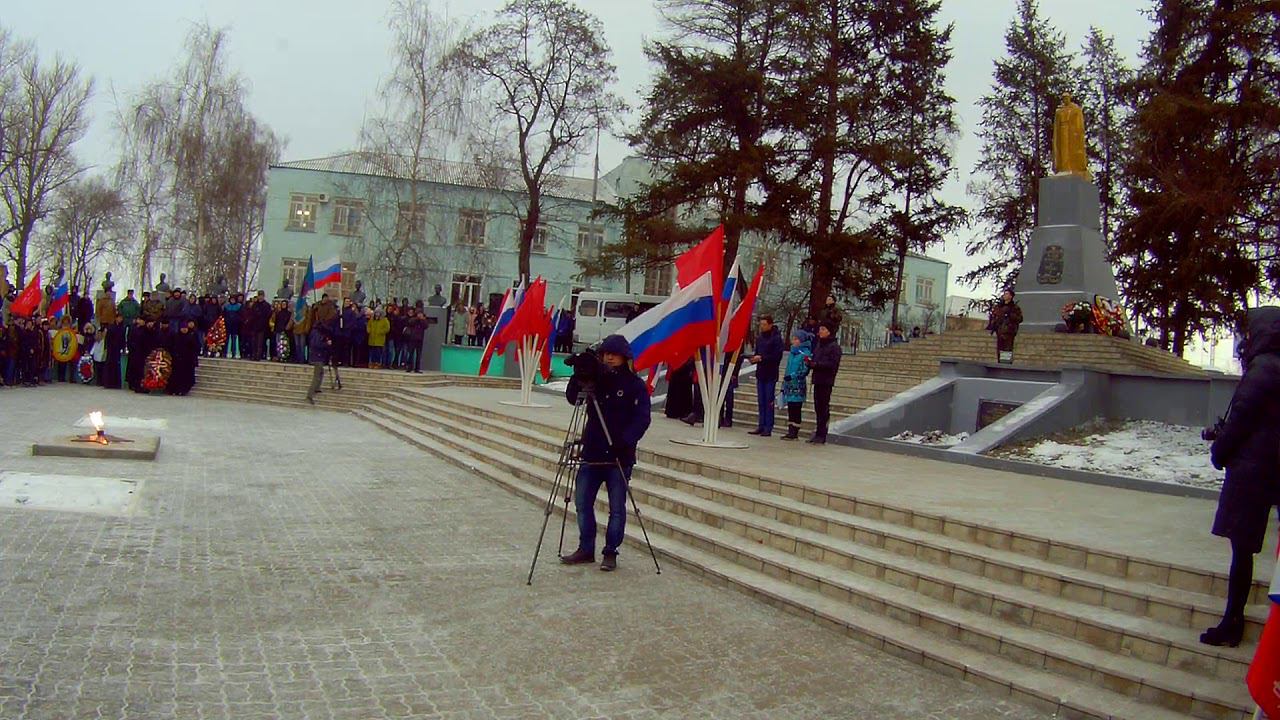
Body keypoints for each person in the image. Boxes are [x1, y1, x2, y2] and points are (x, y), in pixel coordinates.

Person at [1202, 307, 1280, 647]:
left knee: (1242, 548)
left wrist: (1220, 452)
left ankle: (1233, 621)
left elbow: (1243, 416)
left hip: (1255, 468)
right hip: (1272, 466)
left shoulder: (1263, 368)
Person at [560, 335, 652, 572]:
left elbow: (642, 419)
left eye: (614, 353)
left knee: (617, 508)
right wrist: (578, 375)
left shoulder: (634, 385)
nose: (609, 357)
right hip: (592, 452)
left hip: (618, 456)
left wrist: (625, 441)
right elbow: (573, 400)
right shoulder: (596, 380)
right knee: (582, 503)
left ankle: (610, 552)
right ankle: (585, 548)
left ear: (624, 356)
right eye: (605, 353)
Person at [804, 322, 842, 444]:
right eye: (820, 329)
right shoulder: (819, 345)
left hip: (826, 380)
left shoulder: (834, 347)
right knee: (817, 407)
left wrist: (817, 365)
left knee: (823, 407)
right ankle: (818, 432)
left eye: (823, 329)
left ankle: (822, 433)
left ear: (829, 331)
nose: (820, 331)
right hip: (818, 379)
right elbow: (816, 359)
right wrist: (810, 363)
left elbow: (832, 364)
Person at [747, 315, 785, 437]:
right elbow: (757, 352)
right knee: (761, 401)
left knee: (769, 400)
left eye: (764, 324)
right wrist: (754, 358)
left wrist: (762, 358)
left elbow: (777, 357)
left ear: (770, 324)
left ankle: (768, 426)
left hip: (771, 373)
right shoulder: (760, 338)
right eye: (761, 324)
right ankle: (761, 425)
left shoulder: (776, 338)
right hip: (761, 373)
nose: (762, 327)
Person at [780, 329, 814, 440]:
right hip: (789, 384)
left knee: (796, 407)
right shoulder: (792, 353)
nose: (793, 341)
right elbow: (788, 367)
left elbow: (804, 370)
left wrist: (793, 376)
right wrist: (784, 381)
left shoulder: (805, 354)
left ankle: (795, 431)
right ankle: (790, 430)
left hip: (798, 385)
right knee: (790, 407)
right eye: (793, 339)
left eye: (796, 339)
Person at [987, 288, 1023, 364]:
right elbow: (994, 316)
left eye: (1007, 294)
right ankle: (1000, 362)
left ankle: (1006, 364)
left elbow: (1020, 319)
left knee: (1007, 349)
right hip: (1000, 331)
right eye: (1004, 294)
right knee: (1000, 349)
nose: (1004, 295)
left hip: (1009, 332)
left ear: (1011, 296)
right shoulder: (999, 307)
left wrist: (1010, 314)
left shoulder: (1014, 308)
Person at [166, 320, 200, 395]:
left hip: (187, 360)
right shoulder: (176, 336)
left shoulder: (191, 337)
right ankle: (175, 389)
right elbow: (172, 346)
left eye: (185, 328)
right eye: (183, 328)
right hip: (177, 360)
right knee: (176, 375)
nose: (184, 329)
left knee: (186, 376)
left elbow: (196, 347)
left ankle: (183, 390)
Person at [306, 320, 334, 404]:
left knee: (321, 372)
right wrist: (326, 344)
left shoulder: (315, 333)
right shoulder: (317, 334)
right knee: (317, 375)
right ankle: (310, 394)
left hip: (318, 356)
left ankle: (317, 387)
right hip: (317, 356)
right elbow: (317, 345)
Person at [102, 316, 125, 389]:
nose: (120, 319)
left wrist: (123, 347)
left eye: (121, 318)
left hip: (117, 349)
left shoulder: (122, 328)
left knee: (116, 366)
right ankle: (108, 383)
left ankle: (116, 384)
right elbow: (107, 338)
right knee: (109, 365)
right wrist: (106, 347)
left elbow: (123, 339)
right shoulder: (111, 327)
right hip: (110, 348)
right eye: (119, 318)